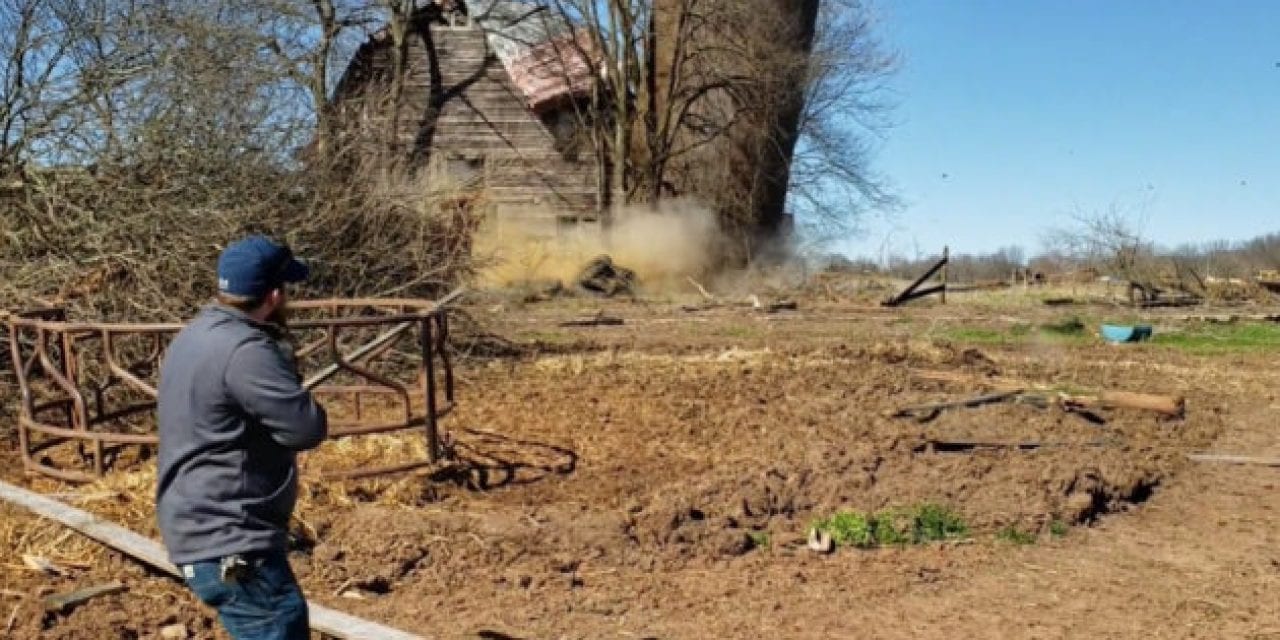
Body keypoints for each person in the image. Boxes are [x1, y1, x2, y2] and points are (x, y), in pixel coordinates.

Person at [156, 235, 328, 640]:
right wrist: (284, 370)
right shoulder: (246, 351)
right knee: (277, 625)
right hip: (230, 534)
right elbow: (306, 428)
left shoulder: (194, 334)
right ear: (272, 295)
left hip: (199, 523)